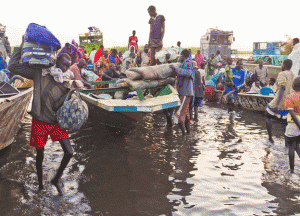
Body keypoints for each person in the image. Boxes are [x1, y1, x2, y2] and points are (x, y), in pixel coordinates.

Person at [8, 37, 77, 195]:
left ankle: (55, 179)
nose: (65, 68)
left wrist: (72, 92)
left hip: (55, 122)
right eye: (63, 64)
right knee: (40, 155)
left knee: (69, 152)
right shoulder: (39, 72)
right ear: (56, 61)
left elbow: (60, 104)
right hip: (39, 121)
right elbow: (12, 66)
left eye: (68, 66)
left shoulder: (65, 81)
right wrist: (21, 45)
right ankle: (40, 184)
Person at [265, 59, 295, 143]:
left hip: (280, 100)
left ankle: (270, 138)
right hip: (288, 102)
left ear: (284, 65)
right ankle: (287, 143)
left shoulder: (282, 73)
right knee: (285, 122)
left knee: (267, 115)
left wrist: (277, 104)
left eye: (281, 64)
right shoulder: (293, 74)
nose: (281, 66)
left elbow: (282, 88)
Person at [170, 49, 194, 135]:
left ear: (183, 55)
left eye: (180, 55)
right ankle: (188, 133)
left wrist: (176, 69)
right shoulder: (185, 63)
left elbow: (188, 73)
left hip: (185, 92)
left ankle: (184, 136)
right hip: (186, 91)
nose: (179, 57)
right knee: (186, 112)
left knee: (180, 113)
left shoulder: (187, 63)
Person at [285, 77, 300, 173]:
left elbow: (291, 113)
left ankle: (291, 170)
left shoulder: (290, 97)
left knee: (291, 146)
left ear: (293, 86)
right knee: (297, 145)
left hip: (294, 125)